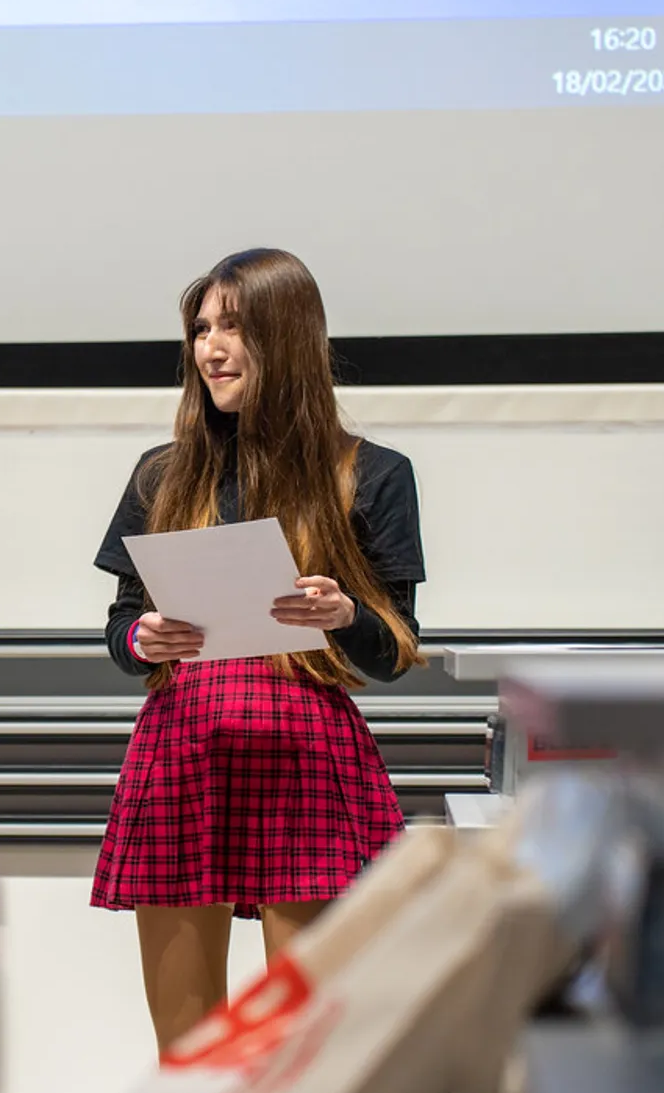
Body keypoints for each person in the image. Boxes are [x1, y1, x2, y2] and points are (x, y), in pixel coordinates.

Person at [92, 248, 426, 1052]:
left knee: (305, 1048)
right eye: (201, 329)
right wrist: (141, 638)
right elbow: (122, 625)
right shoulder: (163, 473)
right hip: (184, 749)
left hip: (306, 754)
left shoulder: (372, 474)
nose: (210, 348)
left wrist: (344, 614)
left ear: (288, 336)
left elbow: (393, 651)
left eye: (233, 327)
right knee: (190, 1050)